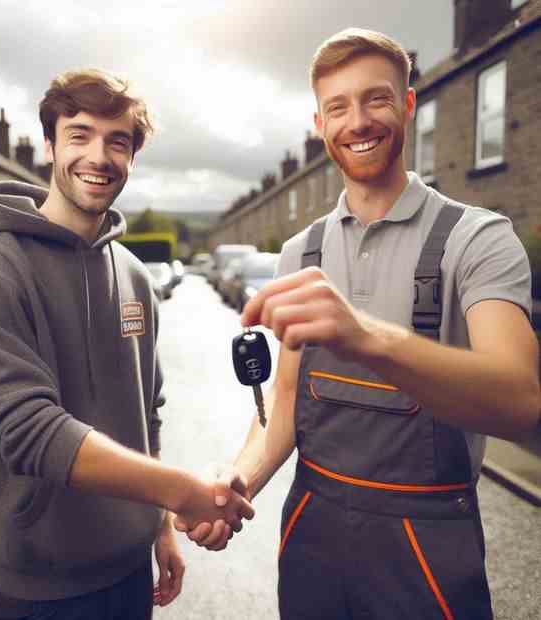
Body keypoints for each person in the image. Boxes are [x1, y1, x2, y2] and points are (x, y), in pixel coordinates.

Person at [177, 29, 541, 619]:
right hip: (312, 538)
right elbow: (287, 403)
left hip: (428, 549)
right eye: (338, 107)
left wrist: (366, 336)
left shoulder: (477, 238)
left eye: (376, 99)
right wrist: (235, 484)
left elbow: (520, 400)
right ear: (320, 124)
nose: (358, 121)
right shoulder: (302, 251)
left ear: (408, 105)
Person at [0, 68, 253, 620]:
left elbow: (145, 415)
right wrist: (182, 491)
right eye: (80, 135)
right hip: (32, 593)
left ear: (132, 157)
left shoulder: (134, 276)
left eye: (118, 141)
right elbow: (26, 428)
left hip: (129, 581)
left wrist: (160, 528)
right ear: (50, 145)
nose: (99, 156)